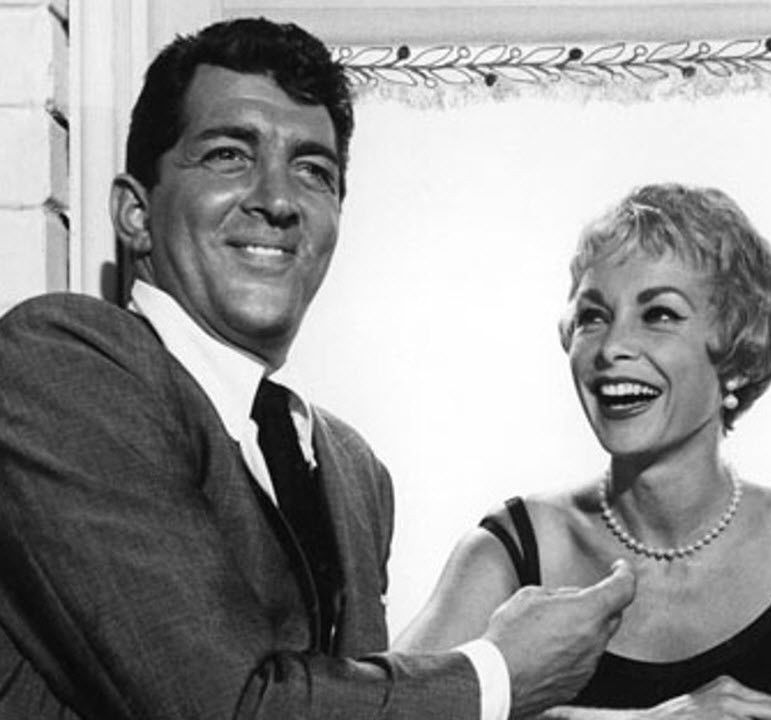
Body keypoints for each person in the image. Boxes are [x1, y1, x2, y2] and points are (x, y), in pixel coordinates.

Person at [0, 17, 635, 719]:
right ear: (135, 214)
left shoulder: (351, 468)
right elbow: (223, 706)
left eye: (313, 171)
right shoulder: (62, 365)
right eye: (228, 156)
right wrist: (498, 675)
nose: (277, 201)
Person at [395, 183, 771, 719]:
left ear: (740, 355)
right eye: (593, 317)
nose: (611, 348)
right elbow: (384, 709)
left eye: (659, 315)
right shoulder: (511, 546)